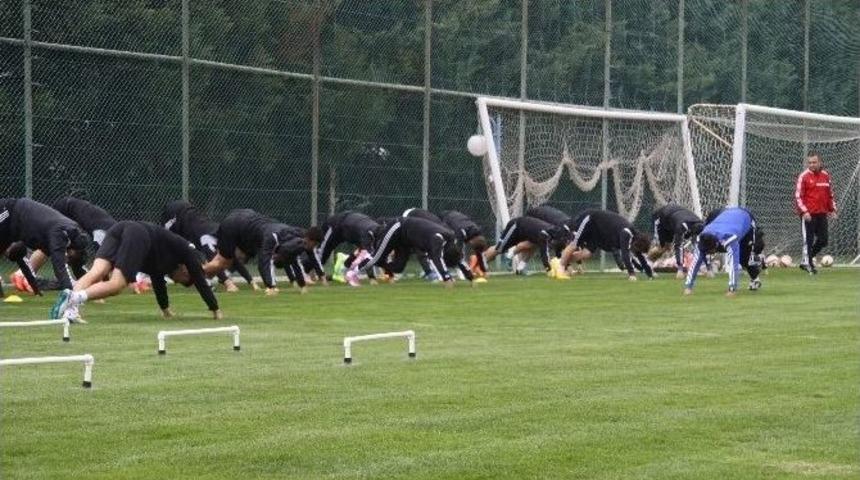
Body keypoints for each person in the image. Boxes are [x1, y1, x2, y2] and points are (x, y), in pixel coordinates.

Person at [50, 221, 222, 321]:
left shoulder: (161, 264)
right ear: (186, 271)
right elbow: (200, 280)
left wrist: (165, 310)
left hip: (120, 228)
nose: (176, 281)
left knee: (96, 272)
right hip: (138, 234)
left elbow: (159, 283)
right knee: (117, 285)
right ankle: (74, 298)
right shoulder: (187, 252)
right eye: (181, 280)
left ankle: (69, 311)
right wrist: (215, 309)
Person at [202, 209, 324, 294]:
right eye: (315, 245)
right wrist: (271, 286)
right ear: (309, 240)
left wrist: (302, 284)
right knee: (223, 262)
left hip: (244, 219)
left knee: (227, 262)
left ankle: (202, 277)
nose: (314, 247)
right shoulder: (274, 237)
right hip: (235, 224)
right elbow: (265, 260)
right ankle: (196, 271)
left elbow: (293, 257)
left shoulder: (296, 236)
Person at [160, 200, 256, 291]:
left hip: (187, 214)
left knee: (190, 256)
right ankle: (158, 279)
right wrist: (228, 283)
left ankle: (204, 282)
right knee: (170, 251)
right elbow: (214, 260)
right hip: (176, 213)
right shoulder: (209, 238)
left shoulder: (224, 238)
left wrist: (252, 282)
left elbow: (232, 259)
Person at [352, 216, 474, 287]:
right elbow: (437, 259)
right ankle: (352, 272)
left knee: (398, 267)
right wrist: (446, 278)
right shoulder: (437, 239)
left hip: (406, 240)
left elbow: (459, 258)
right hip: (398, 227)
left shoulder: (452, 243)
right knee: (376, 257)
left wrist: (471, 278)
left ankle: (379, 261)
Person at [0, 198, 90, 293]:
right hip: (10, 211)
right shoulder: (61, 234)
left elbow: (21, 260)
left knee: (17, 251)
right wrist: (70, 292)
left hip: (15, 223)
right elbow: (59, 266)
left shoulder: (69, 235)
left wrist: (35, 288)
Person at [684, 207, 764, 297]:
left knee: (743, 257)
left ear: (715, 246)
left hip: (746, 219)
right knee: (740, 256)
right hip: (728, 217)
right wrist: (688, 287)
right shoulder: (702, 238)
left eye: (709, 252)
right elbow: (696, 262)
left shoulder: (729, 238)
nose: (708, 254)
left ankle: (755, 277)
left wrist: (732, 289)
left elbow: (733, 263)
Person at [567, 209, 654, 280]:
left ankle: (564, 262)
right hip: (591, 220)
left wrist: (649, 273)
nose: (636, 252)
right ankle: (562, 264)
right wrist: (632, 274)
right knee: (574, 245)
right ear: (636, 244)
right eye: (637, 250)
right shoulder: (626, 233)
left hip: (598, 233)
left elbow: (640, 256)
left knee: (586, 254)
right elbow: (625, 255)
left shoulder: (635, 238)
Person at [795, 152, 837, 274]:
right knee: (808, 240)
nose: (812, 165)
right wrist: (804, 212)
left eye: (814, 162)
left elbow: (830, 194)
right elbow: (798, 196)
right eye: (809, 162)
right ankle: (808, 264)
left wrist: (832, 209)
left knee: (823, 240)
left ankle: (807, 259)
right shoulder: (803, 176)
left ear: (820, 162)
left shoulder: (825, 175)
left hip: (822, 213)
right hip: (808, 215)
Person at [483, 216, 568, 275]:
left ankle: (520, 268)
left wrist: (563, 267)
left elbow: (558, 252)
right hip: (517, 226)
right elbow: (544, 254)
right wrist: (549, 269)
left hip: (527, 232)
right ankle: (481, 263)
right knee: (499, 249)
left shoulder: (556, 236)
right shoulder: (545, 234)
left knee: (534, 245)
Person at [315, 211, 380, 284]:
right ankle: (308, 274)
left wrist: (372, 277)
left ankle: (342, 265)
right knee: (323, 253)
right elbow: (366, 255)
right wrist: (372, 278)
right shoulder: (367, 233)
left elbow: (368, 256)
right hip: (336, 224)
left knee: (361, 253)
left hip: (349, 229)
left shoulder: (373, 233)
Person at [650, 203, 704, 278]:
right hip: (661, 218)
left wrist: (706, 267)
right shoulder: (681, 226)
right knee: (662, 247)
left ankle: (701, 268)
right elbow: (678, 246)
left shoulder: (700, 224)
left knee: (668, 247)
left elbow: (700, 245)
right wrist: (680, 269)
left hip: (672, 218)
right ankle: (648, 264)